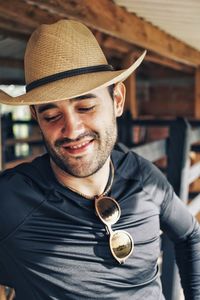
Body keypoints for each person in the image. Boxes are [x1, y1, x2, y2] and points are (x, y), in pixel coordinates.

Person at [0, 19, 199, 300]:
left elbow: (190, 236)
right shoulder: (11, 199)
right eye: (51, 115)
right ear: (36, 118)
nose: (72, 130)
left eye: (86, 106)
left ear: (117, 99)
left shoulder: (144, 179)